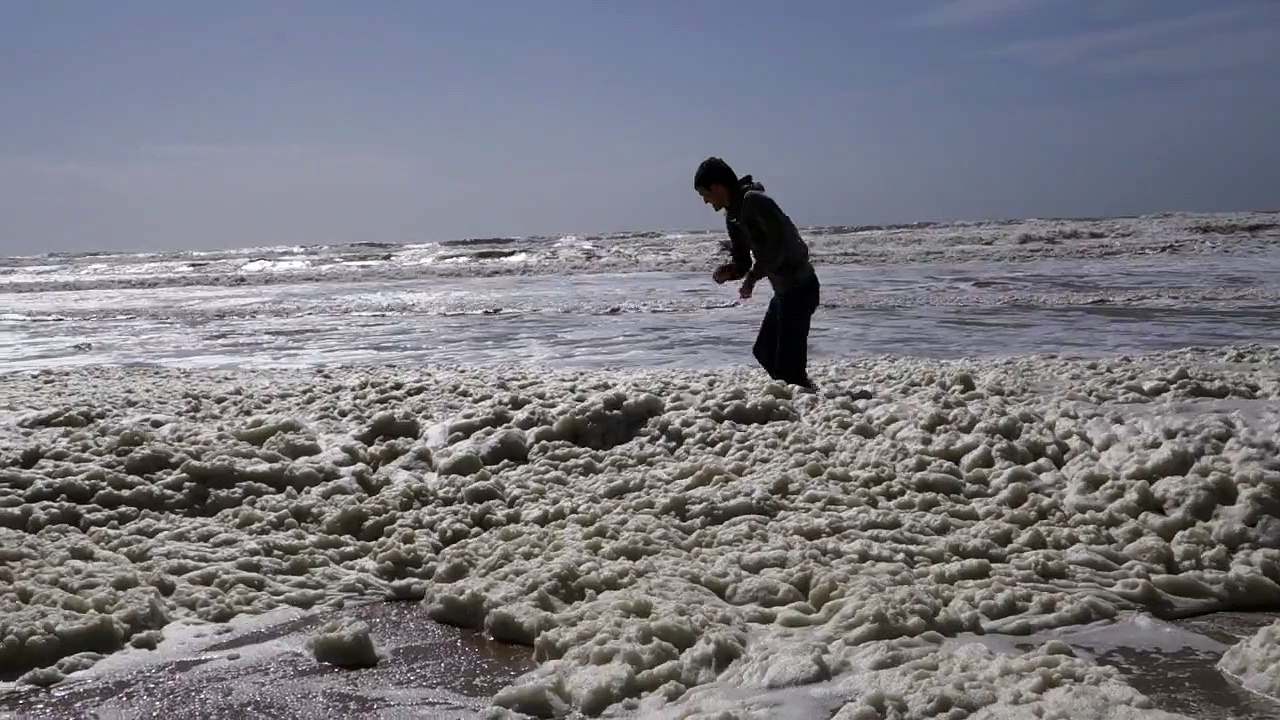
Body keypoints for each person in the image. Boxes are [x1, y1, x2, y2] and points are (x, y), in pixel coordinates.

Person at [695, 156, 820, 390]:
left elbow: (779, 244)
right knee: (763, 352)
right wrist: (728, 272)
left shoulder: (756, 202)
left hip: (801, 288)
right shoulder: (733, 218)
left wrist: (752, 278)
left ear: (718, 186)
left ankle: (807, 403)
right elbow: (742, 261)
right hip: (783, 293)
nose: (705, 201)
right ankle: (802, 395)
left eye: (705, 193)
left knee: (788, 369)